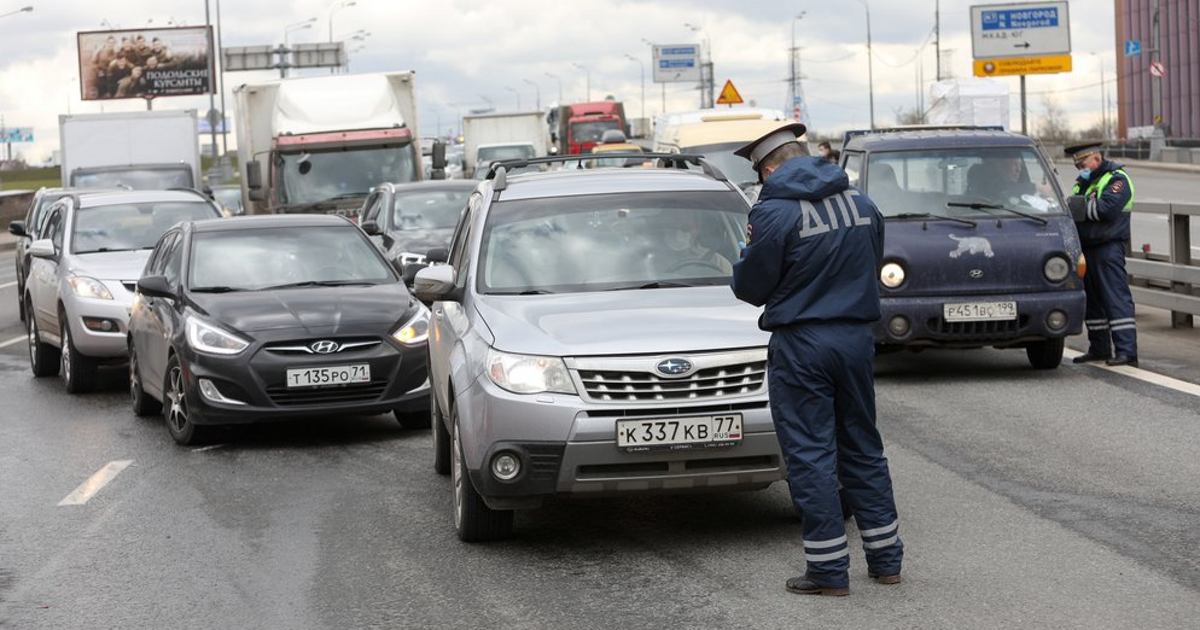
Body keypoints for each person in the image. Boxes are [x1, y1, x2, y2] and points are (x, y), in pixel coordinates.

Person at [731, 123, 903, 596]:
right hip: (854, 339)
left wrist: (740, 264)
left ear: (768, 169)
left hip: (802, 343)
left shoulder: (773, 213)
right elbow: (871, 265)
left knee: (811, 453)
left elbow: (752, 288)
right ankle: (887, 561)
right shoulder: (863, 204)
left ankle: (828, 572)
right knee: (863, 447)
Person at [1066, 141, 1138, 366]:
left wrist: (1078, 207)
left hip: (1108, 248)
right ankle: (1099, 348)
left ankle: (1127, 351)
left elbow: (1106, 209)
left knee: (1115, 298)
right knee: (1093, 301)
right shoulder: (1082, 184)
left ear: (1096, 158)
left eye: (1083, 163)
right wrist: (1078, 206)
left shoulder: (1117, 179)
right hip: (1086, 249)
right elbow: (1070, 209)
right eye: (1077, 166)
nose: (1080, 169)